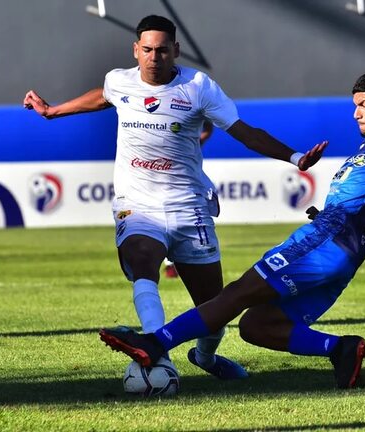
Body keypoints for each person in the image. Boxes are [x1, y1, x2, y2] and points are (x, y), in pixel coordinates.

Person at [99, 70, 365, 389]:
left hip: (328, 241)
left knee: (239, 291)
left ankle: (155, 342)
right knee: (258, 325)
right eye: (355, 106)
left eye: (363, 106)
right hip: (343, 250)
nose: (356, 115)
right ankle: (341, 349)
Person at [23, 15, 327, 379]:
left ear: (175, 51)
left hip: (189, 206)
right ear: (136, 50)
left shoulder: (199, 87)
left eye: (162, 50)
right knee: (142, 262)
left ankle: (206, 358)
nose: (154, 57)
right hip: (137, 203)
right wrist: (53, 111)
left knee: (213, 311)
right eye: (147, 49)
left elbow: (244, 131)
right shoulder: (119, 81)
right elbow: (104, 97)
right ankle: (156, 353)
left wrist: (294, 157)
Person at [164, 120, 216, 279]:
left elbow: (207, 129)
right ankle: (170, 265)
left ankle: (175, 264)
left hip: (188, 190)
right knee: (165, 227)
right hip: (166, 190)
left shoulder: (190, 141)